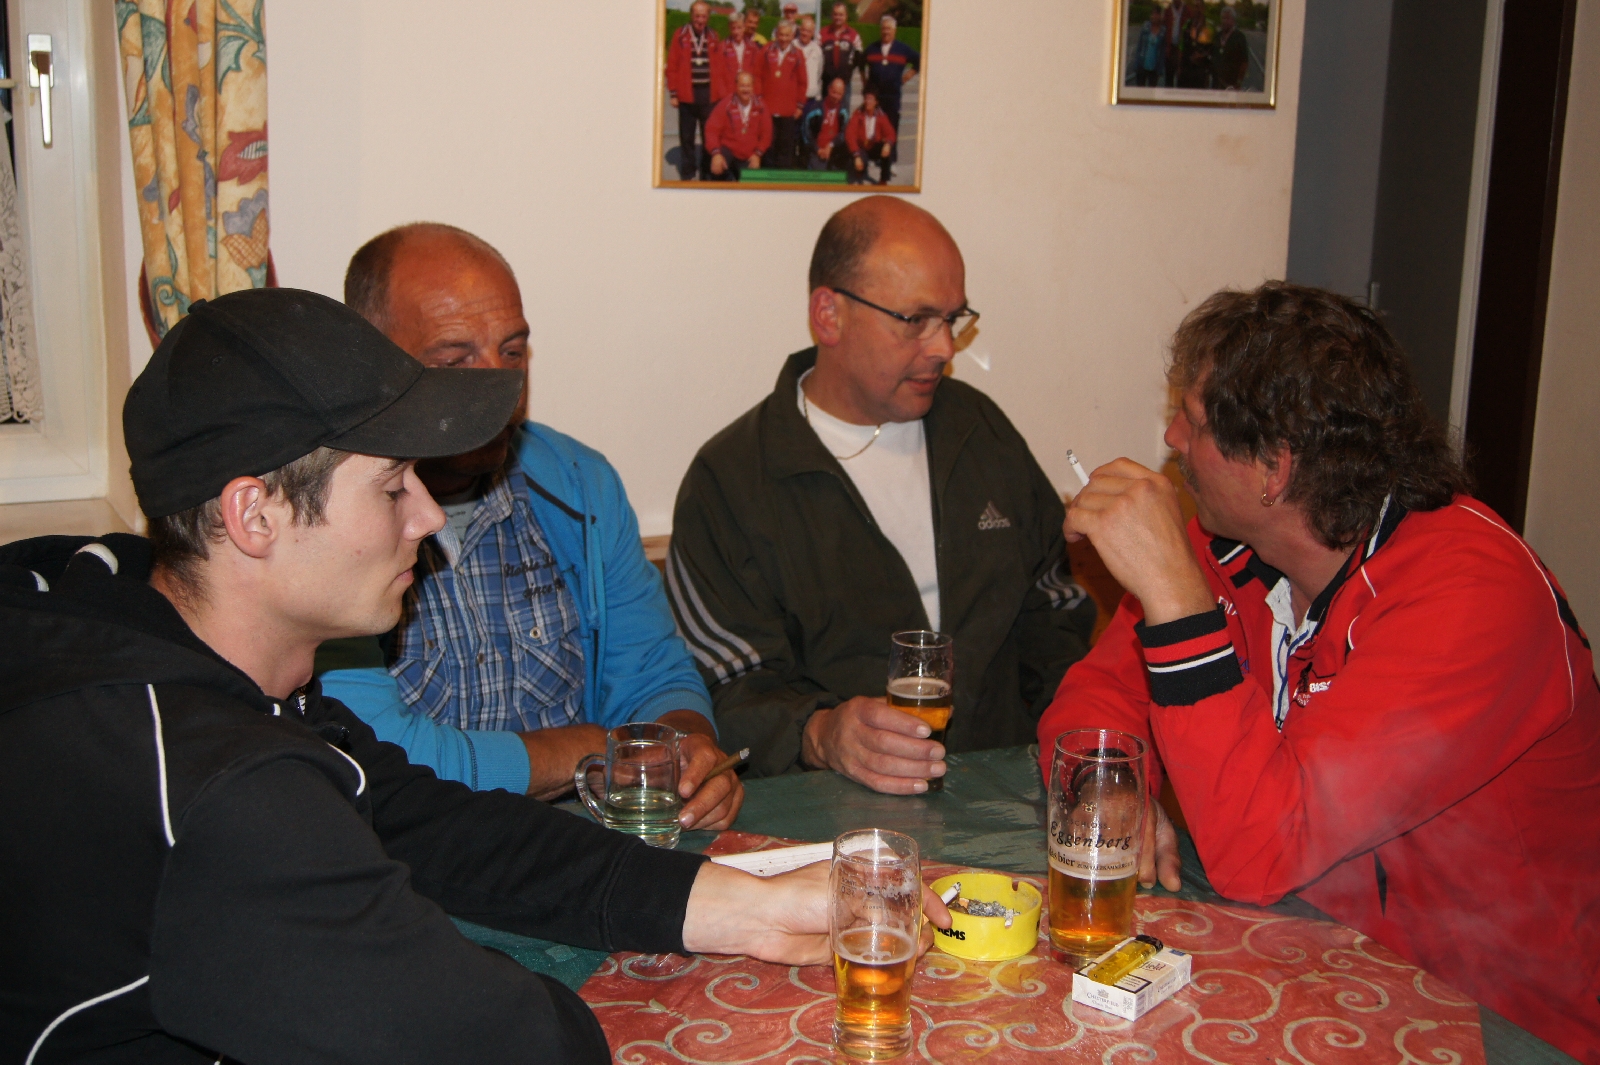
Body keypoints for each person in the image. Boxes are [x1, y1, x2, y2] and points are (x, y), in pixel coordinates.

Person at [0, 289, 939, 1064]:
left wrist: (754, 908)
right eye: (390, 486)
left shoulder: (151, 622)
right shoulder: (219, 788)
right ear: (255, 516)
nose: (426, 518)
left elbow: (426, 820)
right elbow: (494, 1038)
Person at [1036, 282, 1600, 1060]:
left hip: (1505, 1023)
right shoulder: (1231, 545)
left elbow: (1259, 848)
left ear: (1274, 467)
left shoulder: (1472, 596)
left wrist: (1174, 599)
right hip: (1320, 973)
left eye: (1193, 422)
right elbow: (1101, 692)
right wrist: (1109, 785)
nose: (1171, 438)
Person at [316, 224, 740, 833]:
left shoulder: (579, 485)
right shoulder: (326, 518)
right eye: (455, 360)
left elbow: (651, 671)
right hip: (410, 852)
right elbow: (378, 754)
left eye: (513, 353)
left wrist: (687, 746)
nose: (502, 386)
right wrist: (590, 750)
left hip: (578, 843)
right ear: (371, 364)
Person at [668, 197, 1095, 793]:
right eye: (916, 320)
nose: (944, 347)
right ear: (829, 315)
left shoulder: (979, 431)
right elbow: (727, 686)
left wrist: (1076, 755)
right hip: (830, 810)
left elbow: (1055, 613)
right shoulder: (733, 479)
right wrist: (820, 732)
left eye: (952, 318)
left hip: (1006, 794)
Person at [665, 0, 720, 180]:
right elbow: (672, 65)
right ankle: (688, 171)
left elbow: (719, 67)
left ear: (708, 17)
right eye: (697, 16)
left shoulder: (713, 35)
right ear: (691, 16)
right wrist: (673, 93)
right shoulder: (680, 35)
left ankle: (706, 172)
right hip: (687, 94)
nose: (700, 20)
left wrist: (720, 95)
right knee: (687, 137)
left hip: (708, 94)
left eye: (704, 16)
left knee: (708, 135)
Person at [861, 15, 919, 177]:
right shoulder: (872, 48)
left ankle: (891, 161)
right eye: (884, 28)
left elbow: (919, 60)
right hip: (875, 97)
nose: (886, 32)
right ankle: (874, 157)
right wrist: (865, 82)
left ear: (894, 30)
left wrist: (908, 75)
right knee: (873, 127)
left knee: (891, 128)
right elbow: (860, 63)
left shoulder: (902, 49)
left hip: (892, 96)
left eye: (889, 29)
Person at [706, 71, 772, 180]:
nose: (745, 89)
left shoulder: (761, 106)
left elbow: (767, 134)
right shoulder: (726, 104)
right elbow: (711, 130)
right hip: (729, 151)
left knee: (753, 181)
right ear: (736, 86)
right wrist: (716, 153)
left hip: (750, 154)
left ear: (753, 87)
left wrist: (757, 154)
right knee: (717, 169)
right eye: (742, 86)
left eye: (748, 86)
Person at [761, 19, 809, 169]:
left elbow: (802, 82)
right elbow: (757, 76)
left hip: (788, 109)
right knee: (768, 144)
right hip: (768, 107)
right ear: (776, 34)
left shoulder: (798, 54)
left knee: (785, 146)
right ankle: (767, 177)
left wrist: (799, 106)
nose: (783, 38)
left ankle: (783, 177)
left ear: (793, 36)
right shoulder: (766, 50)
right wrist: (759, 101)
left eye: (787, 35)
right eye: (781, 34)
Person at [845, 85, 895, 185]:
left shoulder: (881, 115)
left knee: (887, 150)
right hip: (861, 147)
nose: (867, 101)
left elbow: (891, 133)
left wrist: (888, 144)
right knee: (858, 164)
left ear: (876, 102)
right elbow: (849, 134)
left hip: (873, 146)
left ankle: (883, 180)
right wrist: (856, 155)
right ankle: (859, 170)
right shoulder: (858, 113)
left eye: (870, 99)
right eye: (866, 98)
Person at [819, 1, 863, 108]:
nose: (838, 17)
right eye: (835, 14)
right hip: (827, 84)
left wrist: (846, 72)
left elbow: (859, 58)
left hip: (845, 84)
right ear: (832, 15)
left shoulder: (853, 35)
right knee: (826, 112)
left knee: (843, 113)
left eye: (841, 14)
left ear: (846, 16)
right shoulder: (822, 34)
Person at [803, 76, 851, 172]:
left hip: (834, 150)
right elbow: (806, 133)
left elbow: (845, 132)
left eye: (839, 94)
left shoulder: (843, 111)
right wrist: (818, 149)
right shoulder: (815, 109)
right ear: (829, 89)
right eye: (834, 92)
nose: (836, 96)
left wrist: (831, 145)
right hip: (817, 150)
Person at [718, 11, 762, 100]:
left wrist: (758, 94)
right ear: (729, 28)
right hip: (729, 94)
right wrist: (724, 97)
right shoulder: (722, 48)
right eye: (733, 28)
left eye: (739, 28)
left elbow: (757, 74)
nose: (736, 32)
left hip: (749, 94)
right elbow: (719, 76)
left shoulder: (753, 48)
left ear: (744, 27)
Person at [1175, 0, 1215, 88]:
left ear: (1203, 8)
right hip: (1186, 68)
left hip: (1201, 70)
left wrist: (1202, 55)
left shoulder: (1210, 26)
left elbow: (1213, 49)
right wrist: (1179, 67)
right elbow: (1181, 47)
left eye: (1199, 7)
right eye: (1195, 7)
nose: (1197, 9)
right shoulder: (1187, 24)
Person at [1211, 5, 1250, 90]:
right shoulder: (1217, 36)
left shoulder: (1239, 37)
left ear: (1233, 20)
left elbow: (1244, 62)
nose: (1224, 21)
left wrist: (1239, 82)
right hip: (1216, 84)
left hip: (1231, 84)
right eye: (1223, 18)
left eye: (1227, 18)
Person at [1129, 4, 1168, 87]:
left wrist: (1160, 68)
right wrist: (1136, 63)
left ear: (1160, 16)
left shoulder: (1163, 31)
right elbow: (1139, 46)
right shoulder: (1145, 26)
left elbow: (1162, 51)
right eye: (1153, 14)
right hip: (1142, 64)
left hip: (1154, 67)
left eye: (1156, 14)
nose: (1154, 16)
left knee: (1151, 90)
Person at [797, 14, 825, 105]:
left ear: (813, 33)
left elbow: (819, 73)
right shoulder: (792, 46)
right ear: (800, 30)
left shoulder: (817, 50)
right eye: (803, 30)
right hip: (795, 95)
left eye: (808, 31)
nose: (805, 33)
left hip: (811, 97)